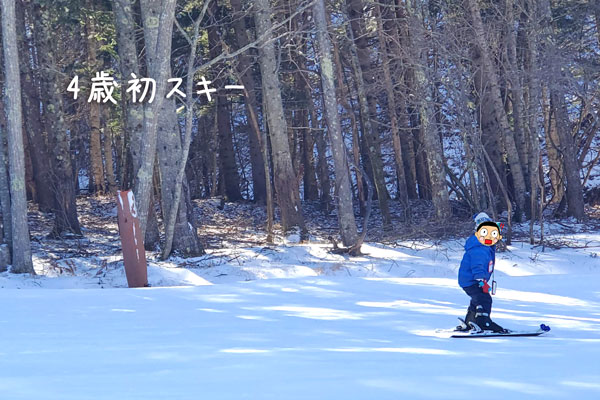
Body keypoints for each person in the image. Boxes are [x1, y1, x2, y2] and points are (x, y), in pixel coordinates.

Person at [457, 212, 507, 333]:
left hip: (470, 280)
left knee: (477, 299)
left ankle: (470, 321)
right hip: (472, 280)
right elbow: (477, 264)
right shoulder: (479, 248)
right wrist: (480, 279)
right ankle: (483, 322)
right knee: (484, 299)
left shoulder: (483, 247)